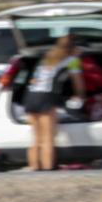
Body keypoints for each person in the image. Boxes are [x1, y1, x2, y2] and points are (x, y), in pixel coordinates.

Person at [24, 34, 83, 171]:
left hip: (31, 96)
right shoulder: (72, 60)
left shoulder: (47, 57)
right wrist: (80, 96)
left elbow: (34, 79)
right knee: (48, 139)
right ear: (74, 48)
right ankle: (47, 171)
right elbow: (78, 82)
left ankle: (34, 169)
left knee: (36, 139)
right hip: (46, 98)